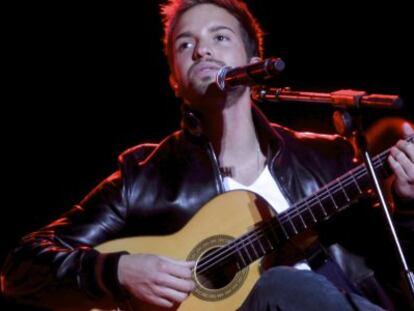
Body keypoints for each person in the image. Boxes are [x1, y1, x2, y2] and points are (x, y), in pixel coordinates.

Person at [1, 0, 413, 310]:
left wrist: (409, 204)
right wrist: (117, 271)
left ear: (254, 63)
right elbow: (22, 267)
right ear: (174, 81)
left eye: (220, 37)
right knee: (279, 286)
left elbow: (395, 271)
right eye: (186, 45)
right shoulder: (143, 178)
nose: (202, 51)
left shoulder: (329, 159)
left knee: (286, 286)